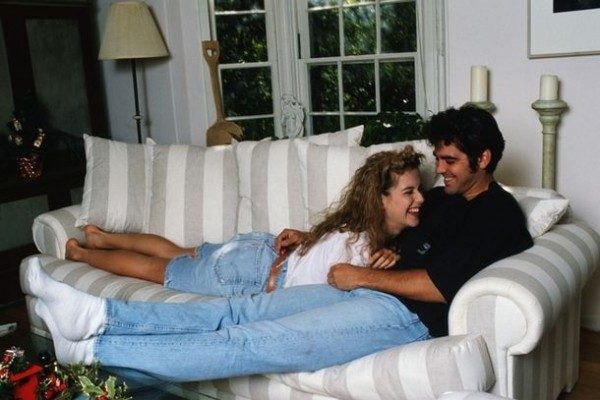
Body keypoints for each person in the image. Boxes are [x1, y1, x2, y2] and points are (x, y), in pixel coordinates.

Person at [27, 105, 533, 382]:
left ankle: (93, 349)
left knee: (248, 342)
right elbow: (399, 235)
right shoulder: (442, 200)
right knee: (237, 311)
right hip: (363, 290)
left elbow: (441, 284)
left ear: (484, 159)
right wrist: (376, 253)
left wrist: (362, 275)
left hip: (402, 316)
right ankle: (100, 315)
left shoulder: (499, 215)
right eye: (438, 159)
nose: (439, 171)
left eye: (450, 161)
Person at [64, 147, 423, 297]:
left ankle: (101, 239)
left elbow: (330, 251)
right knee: (154, 270)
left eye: (418, 190)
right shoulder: (364, 248)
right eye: (409, 192)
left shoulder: (358, 226)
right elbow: (344, 275)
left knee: (179, 252)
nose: (420, 199)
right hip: (254, 271)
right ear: (381, 199)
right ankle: (81, 254)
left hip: (261, 250)